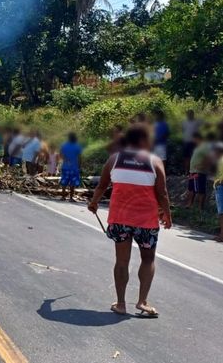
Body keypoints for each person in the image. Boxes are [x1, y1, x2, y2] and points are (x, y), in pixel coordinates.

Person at [88, 124, 172, 318]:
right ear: (144, 140)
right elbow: (162, 193)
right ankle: (142, 301)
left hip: (120, 220)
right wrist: (167, 214)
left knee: (122, 260)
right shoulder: (154, 161)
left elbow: (101, 187)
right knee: (148, 258)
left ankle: (121, 303)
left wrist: (94, 203)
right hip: (147, 222)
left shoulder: (114, 159)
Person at [186, 132, 213, 213]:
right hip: (193, 171)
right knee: (191, 189)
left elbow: (209, 158)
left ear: (198, 138)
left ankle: (200, 208)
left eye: (194, 138)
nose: (193, 140)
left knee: (201, 190)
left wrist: (203, 166)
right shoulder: (197, 147)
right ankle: (189, 205)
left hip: (199, 172)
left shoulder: (204, 147)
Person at [60, 132, 82, 202]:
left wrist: (66, 160)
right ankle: (71, 198)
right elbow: (80, 158)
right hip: (74, 168)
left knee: (64, 182)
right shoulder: (77, 146)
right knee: (72, 183)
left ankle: (63, 196)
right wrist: (79, 166)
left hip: (65, 167)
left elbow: (61, 155)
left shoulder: (64, 145)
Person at [213, 144, 223, 242]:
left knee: (221, 213)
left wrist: (220, 182)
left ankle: (222, 235)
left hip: (221, 188)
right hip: (219, 187)